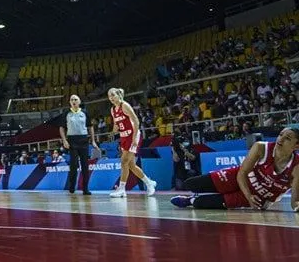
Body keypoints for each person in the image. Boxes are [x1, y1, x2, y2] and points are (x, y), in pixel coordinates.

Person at [171, 125, 299, 210]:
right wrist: (248, 196)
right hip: (241, 178)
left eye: (287, 138)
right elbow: (242, 173)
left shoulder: (296, 167)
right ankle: (205, 194)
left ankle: (190, 200)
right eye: (280, 134)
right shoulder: (261, 147)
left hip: (260, 196)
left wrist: (297, 206)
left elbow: (295, 202)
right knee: (190, 184)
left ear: (296, 146)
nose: (280, 139)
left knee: (200, 203)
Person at [107, 87, 157, 198]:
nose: (111, 98)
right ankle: (149, 183)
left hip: (132, 135)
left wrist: (134, 138)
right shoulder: (112, 110)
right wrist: (112, 133)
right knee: (131, 165)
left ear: (119, 95)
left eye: (113, 95)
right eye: (109, 96)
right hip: (123, 137)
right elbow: (116, 124)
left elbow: (136, 121)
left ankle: (121, 189)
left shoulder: (125, 105)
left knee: (124, 161)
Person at [59, 94, 97, 195]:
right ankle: (72, 186)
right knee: (74, 165)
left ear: (79, 101)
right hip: (72, 141)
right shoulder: (66, 113)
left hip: (83, 140)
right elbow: (62, 128)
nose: (74, 101)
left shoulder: (84, 112)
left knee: (85, 166)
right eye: (72, 99)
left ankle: (85, 188)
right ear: (70, 102)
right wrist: (64, 140)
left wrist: (93, 141)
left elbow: (90, 127)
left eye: (76, 99)